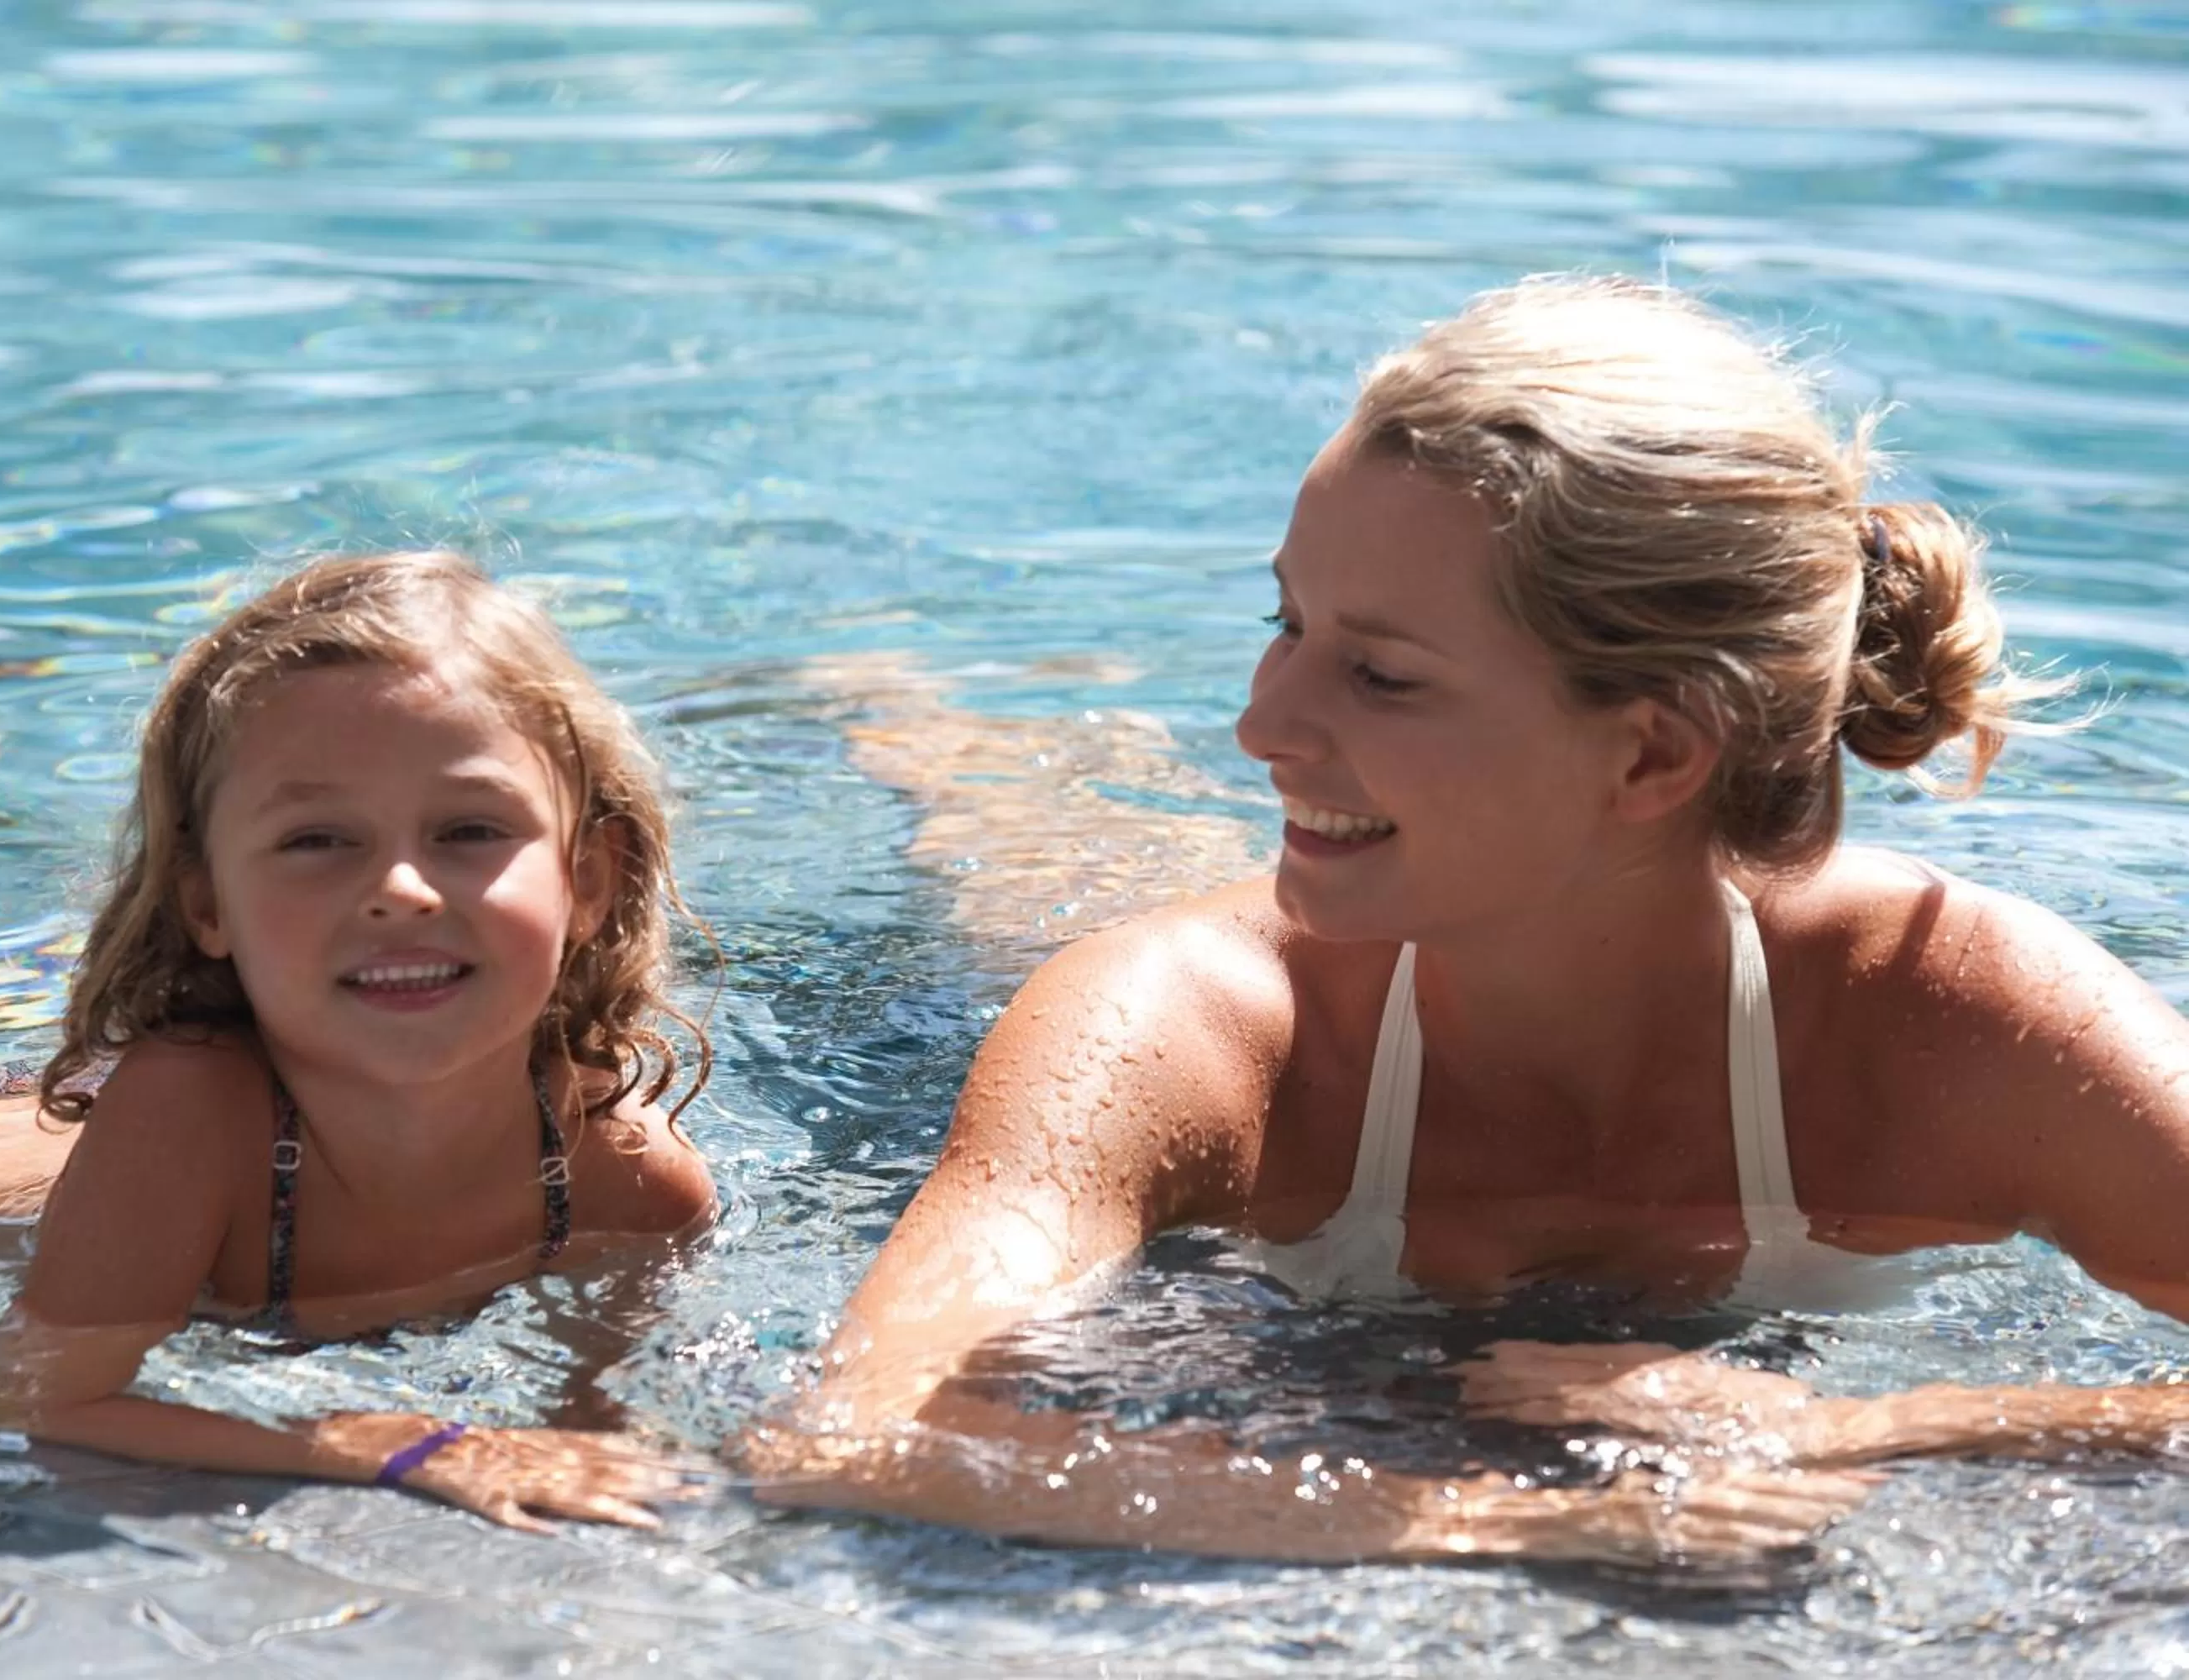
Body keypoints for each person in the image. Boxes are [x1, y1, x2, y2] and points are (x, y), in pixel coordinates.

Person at [743, 276, 2189, 1558]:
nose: (1261, 723)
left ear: (1651, 755)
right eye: (1283, 625)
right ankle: (895, 699)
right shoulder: (1179, 1018)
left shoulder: (1953, 1007)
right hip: (1136, 946)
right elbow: (849, 1430)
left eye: (1381, 676)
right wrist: (1515, 1516)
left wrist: (1878, 1428)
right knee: (1010, 840)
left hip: (1386, 877)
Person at [0, 551, 717, 1529]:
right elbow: (34, 1392)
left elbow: (602, 1429)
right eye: (318, 839)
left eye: (470, 830)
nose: (401, 889)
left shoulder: (625, 1179)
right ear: (209, 902)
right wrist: (405, 1443)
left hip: (46, 1131)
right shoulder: (190, 1106)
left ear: (589, 877)